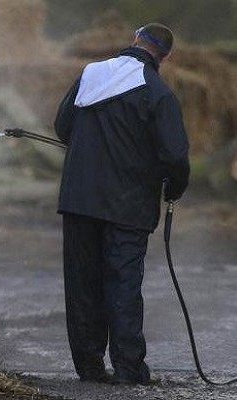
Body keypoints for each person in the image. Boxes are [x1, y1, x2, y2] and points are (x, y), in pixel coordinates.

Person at [53, 23, 190, 385]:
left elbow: (63, 127)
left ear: (135, 39)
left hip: (79, 199)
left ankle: (90, 367)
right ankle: (129, 368)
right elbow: (175, 156)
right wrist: (173, 189)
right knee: (123, 283)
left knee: (82, 284)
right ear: (166, 56)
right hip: (128, 207)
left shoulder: (91, 74)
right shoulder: (158, 93)